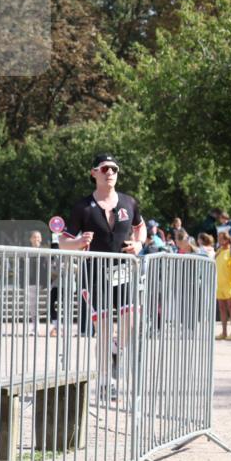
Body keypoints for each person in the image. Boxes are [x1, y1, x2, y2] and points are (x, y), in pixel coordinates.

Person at [59, 153, 146, 399]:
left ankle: (117, 349)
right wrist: (77, 243)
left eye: (114, 169)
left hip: (124, 272)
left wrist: (138, 244)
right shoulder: (83, 207)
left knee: (132, 323)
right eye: (105, 168)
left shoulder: (129, 202)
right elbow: (63, 241)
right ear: (94, 173)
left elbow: (140, 227)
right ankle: (107, 382)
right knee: (105, 330)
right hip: (95, 274)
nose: (110, 173)